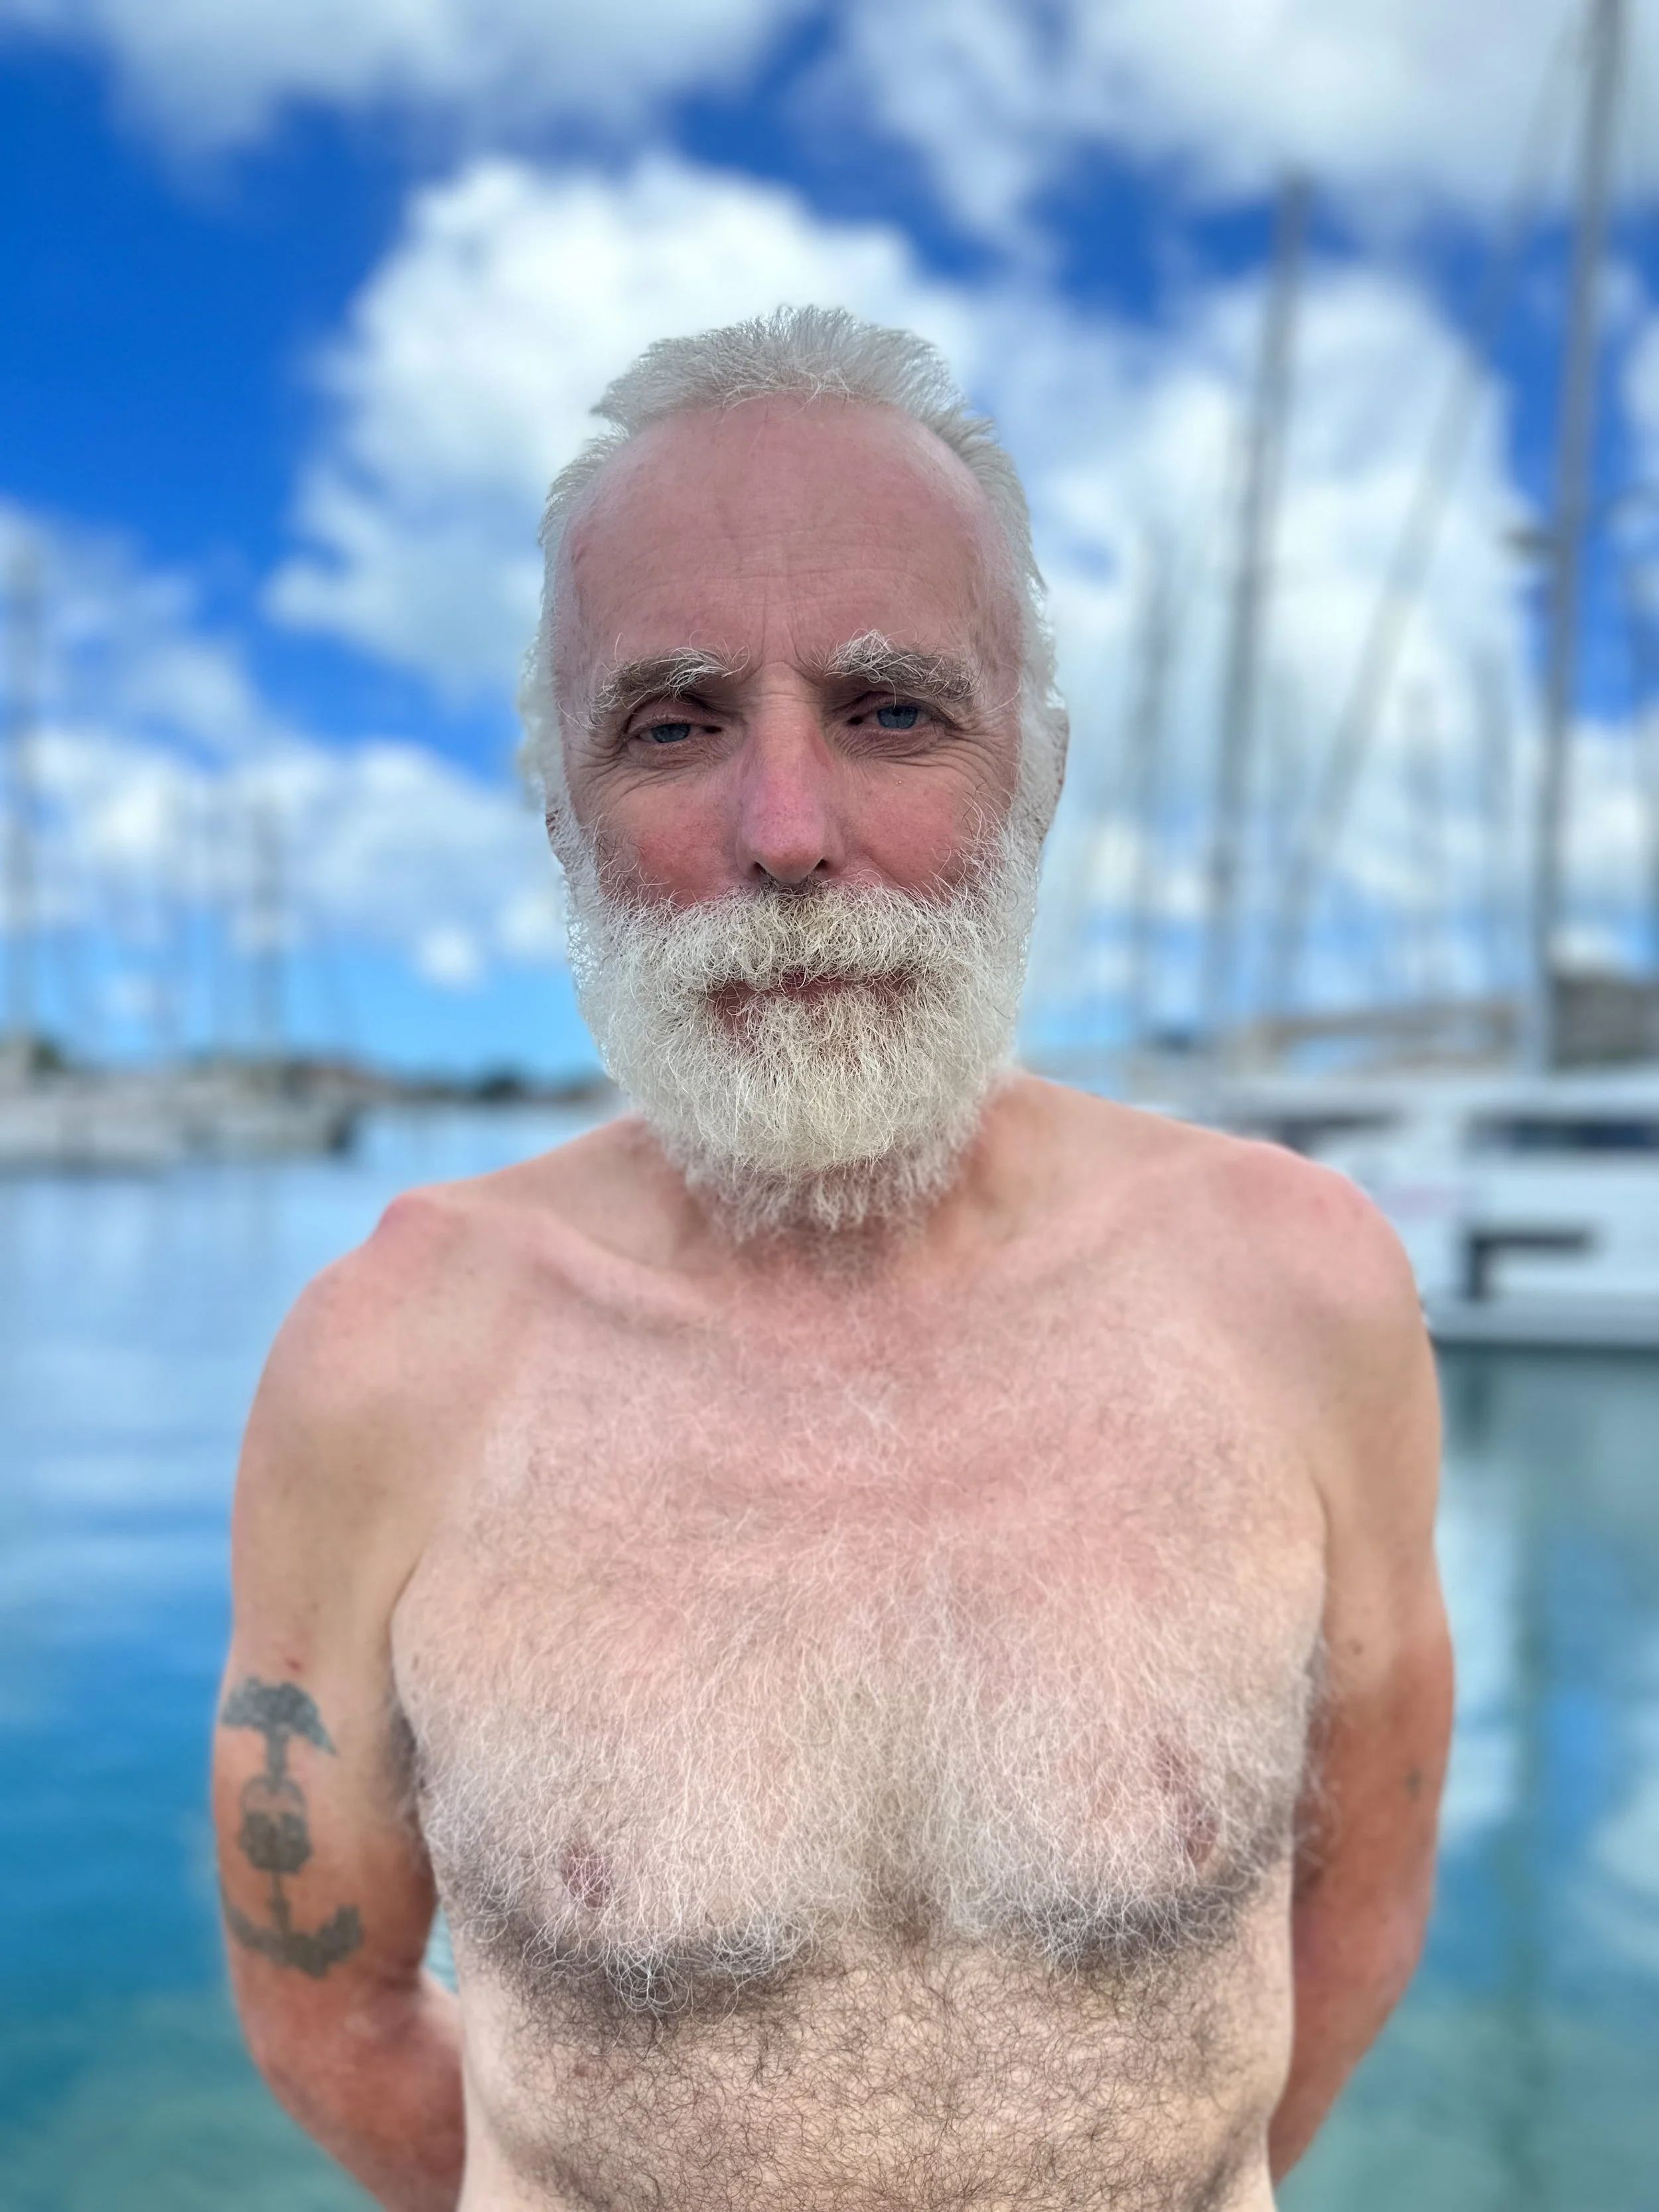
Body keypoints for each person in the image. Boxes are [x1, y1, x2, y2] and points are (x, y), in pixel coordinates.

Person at [212, 307, 1452, 2212]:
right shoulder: (390, 1363)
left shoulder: (1299, 1294)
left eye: (889, 712)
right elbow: (331, 2011)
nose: (786, 835)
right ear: (559, 807)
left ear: (1036, 774)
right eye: (674, 724)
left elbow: (1356, 1911)